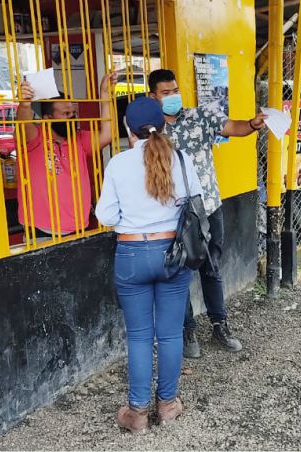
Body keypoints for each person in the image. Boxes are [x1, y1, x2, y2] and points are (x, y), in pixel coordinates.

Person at [139, 69, 267, 358]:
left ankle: (220, 325)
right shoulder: (151, 132)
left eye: (175, 90)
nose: (173, 97)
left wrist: (253, 123)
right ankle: (188, 332)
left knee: (212, 268)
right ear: (153, 96)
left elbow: (234, 128)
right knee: (180, 274)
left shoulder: (200, 116)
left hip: (209, 208)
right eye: (165, 93)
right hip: (173, 215)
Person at [95, 97, 200, 434]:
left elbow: (106, 216)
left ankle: (137, 413)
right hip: (173, 253)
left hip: (132, 255)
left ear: (128, 128)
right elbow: (198, 204)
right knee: (170, 334)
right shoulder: (181, 160)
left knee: (140, 337)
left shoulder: (118, 164)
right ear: (164, 123)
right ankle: (167, 405)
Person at [14, 72, 119, 240]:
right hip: (41, 234)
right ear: (48, 118)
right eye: (65, 114)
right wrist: (25, 105)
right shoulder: (35, 138)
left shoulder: (80, 139)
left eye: (73, 113)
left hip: (79, 230)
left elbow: (108, 134)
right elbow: (23, 126)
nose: (72, 118)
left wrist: (105, 94)